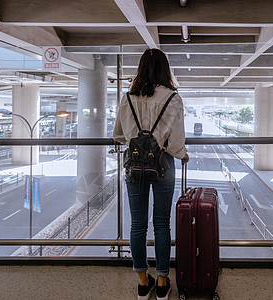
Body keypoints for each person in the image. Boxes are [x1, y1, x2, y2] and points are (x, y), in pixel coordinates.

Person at [114, 48, 189, 300]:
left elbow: (118, 135)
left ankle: (142, 282)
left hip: (134, 165)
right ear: (164, 69)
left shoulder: (127, 98)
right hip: (163, 164)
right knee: (161, 223)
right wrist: (182, 155)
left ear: (140, 68)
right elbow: (176, 142)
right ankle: (162, 281)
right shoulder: (173, 98)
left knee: (137, 224)